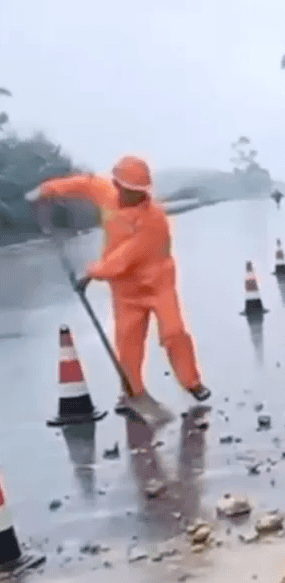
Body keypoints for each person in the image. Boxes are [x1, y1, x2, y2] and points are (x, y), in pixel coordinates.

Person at [27, 155, 211, 408]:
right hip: (125, 290)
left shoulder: (153, 220)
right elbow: (82, 184)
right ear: (118, 185)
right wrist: (47, 190)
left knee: (173, 332)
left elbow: (124, 258)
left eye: (139, 191)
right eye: (129, 190)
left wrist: (91, 272)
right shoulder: (106, 193)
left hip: (158, 285)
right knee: (128, 341)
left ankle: (192, 383)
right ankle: (133, 393)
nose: (133, 195)